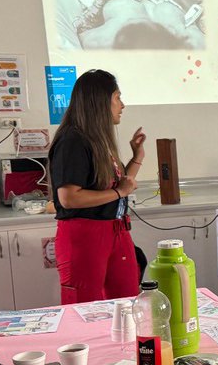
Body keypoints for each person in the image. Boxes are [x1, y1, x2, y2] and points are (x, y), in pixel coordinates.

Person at [48, 69, 146, 304]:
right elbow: (69, 198)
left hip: (116, 231)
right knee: (85, 307)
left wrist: (137, 157)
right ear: (100, 101)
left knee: (127, 303)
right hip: (85, 236)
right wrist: (119, 192)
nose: (122, 105)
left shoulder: (99, 139)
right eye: (117, 97)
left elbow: (122, 187)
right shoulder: (72, 140)